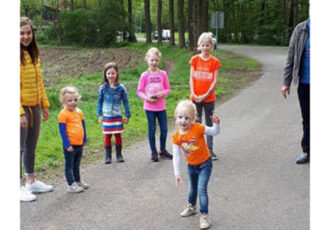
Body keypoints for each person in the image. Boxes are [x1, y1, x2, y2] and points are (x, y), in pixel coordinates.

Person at [172, 100, 220, 229]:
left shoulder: (198, 128)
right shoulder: (176, 136)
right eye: (180, 117)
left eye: (187, 118)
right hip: (191, 166)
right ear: (175, 117)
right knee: (192, 189)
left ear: (193, 119)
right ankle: (192, 207)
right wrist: (177, 173)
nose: (183, 121)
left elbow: (214, 132)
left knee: (201, 189)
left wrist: (216, 124)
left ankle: (204, 216)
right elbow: (176, 156)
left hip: (205, 164)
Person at [20, 17, 53, 202]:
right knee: (18, 147)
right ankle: (18, 186)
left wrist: (45, 104)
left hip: (34, 106)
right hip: (21, 107)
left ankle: (31, 180)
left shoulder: (33, 54)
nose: (26, 37)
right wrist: (19, 112)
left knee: (31, 145)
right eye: (22, 33)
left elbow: (39, 81)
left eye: (28, 33)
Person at [189, 32, 222, 161]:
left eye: (208, 45)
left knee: (209, 124)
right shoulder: (195, 60)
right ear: (199, 46)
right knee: (196, 124)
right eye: (203, 45)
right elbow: (191, 77)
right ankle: (196, 149)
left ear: (212, 46)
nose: (205, 48)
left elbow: (215, 80)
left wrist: (206, 94)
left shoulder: (215, 62)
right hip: (195, 97)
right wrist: (193, 93)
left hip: (208, 98)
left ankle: (210, 150)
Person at [282, 18, 310, 164]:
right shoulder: (300, 29)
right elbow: (291, 56)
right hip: (305, 83)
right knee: (307, 119)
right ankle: (307, 151)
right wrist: (286, 83)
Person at [137, 47, 172, 162]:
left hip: (161, 106)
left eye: (156, 60)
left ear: (159, 61)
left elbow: (168, 89)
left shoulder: (163, 74)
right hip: (149, 107)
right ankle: (153, 152)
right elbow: (139, 91)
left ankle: (162, 150)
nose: (154, 62)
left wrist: (161, 94)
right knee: (152, 129)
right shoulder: (144, 75)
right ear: (147, 59)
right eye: (152, 60)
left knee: (164, 129)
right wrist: (147, 98)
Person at [97, 62, 131, 164]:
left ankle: (119, 154)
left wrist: (127, 115)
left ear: (117, 74)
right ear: (105, 75)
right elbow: (99, 101)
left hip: (117, 116)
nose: (111, 76)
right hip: (107, 116)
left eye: (113, 73)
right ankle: (108, 156)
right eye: (108, 73)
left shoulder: (121, 88)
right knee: (107, 135)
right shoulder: (102, 88)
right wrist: (99, 115)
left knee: (117, 135)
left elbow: (125, 102)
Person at [58, 86, 89, 193]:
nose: (73, 102)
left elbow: (82, 125)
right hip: (70, 145)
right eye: (70, 100)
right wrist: (67, 145)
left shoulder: (79, 112)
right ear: (64, 101)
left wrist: (84, 138)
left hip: (79, 143)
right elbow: (62, 131)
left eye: (75, 100)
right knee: (69, 165)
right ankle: (71, 184)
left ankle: (77, 180)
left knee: (77, 164)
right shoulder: (63, 114)